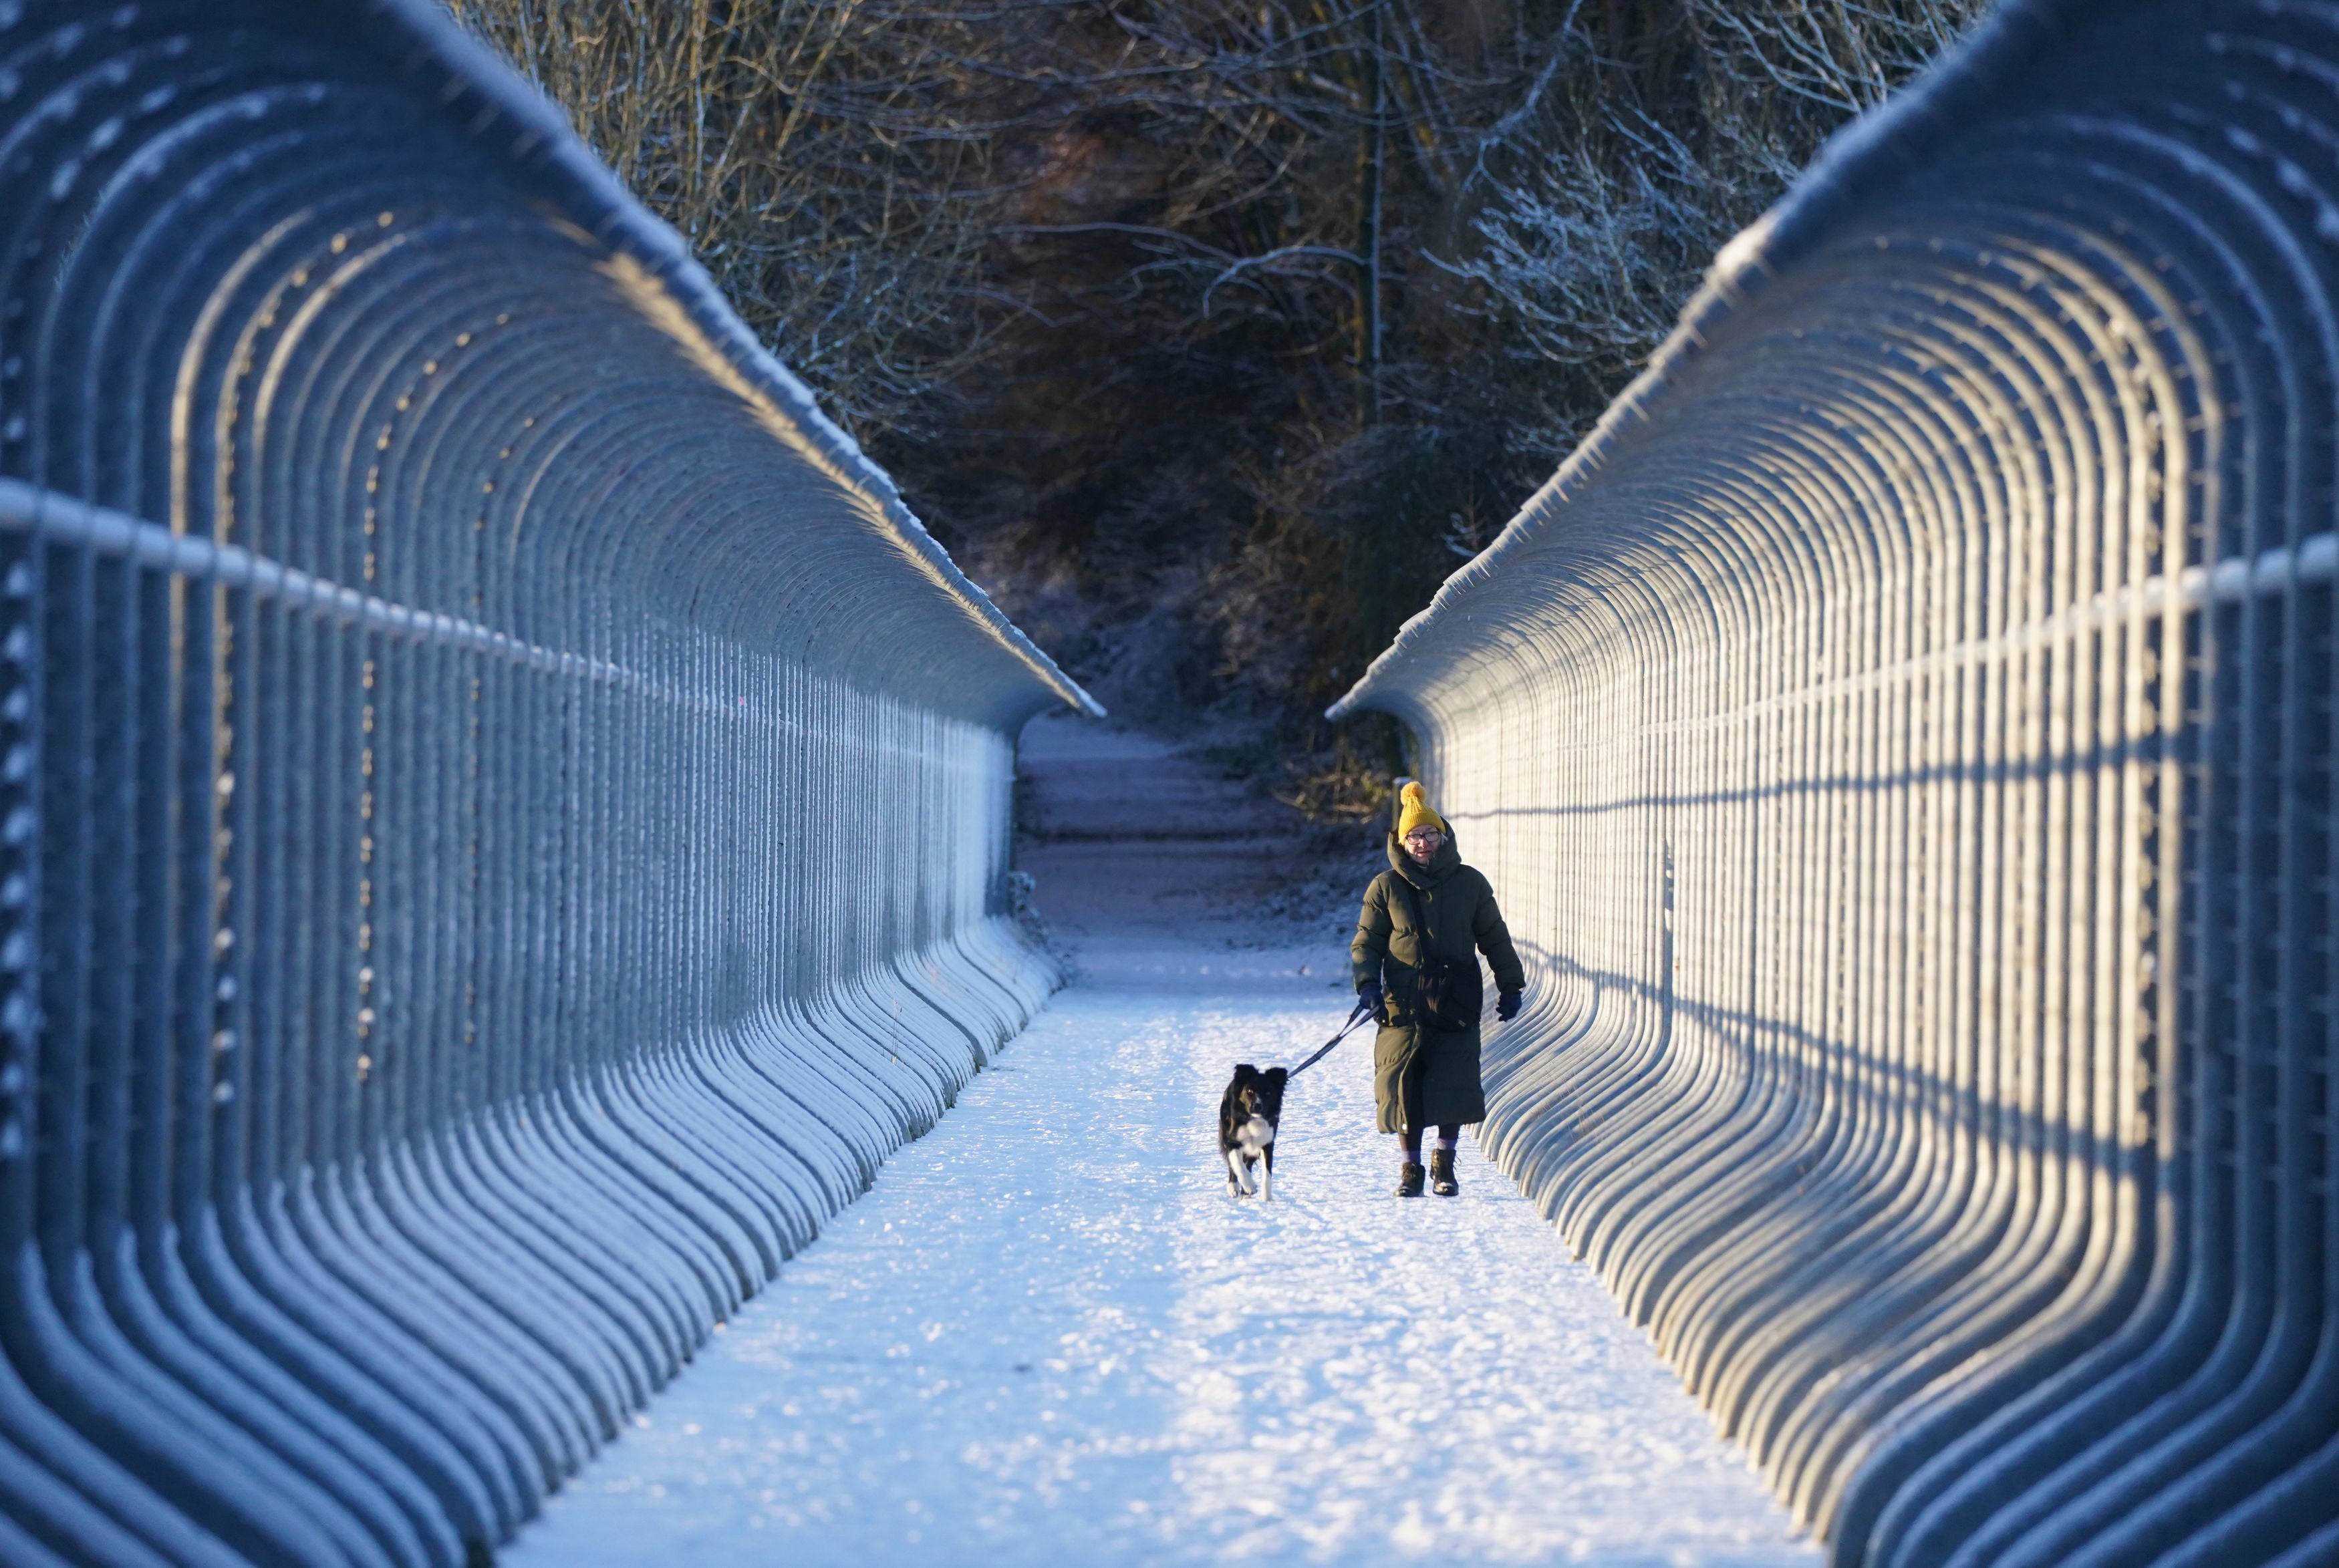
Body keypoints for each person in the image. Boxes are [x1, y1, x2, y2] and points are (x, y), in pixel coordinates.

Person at [1351, 781, 1526, 1197]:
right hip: (1402, 1004)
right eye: (1415, 836)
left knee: (1455, 1081)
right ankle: (1410, 1170)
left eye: (1431, 835)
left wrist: (1510, 984)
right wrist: (1367, 986)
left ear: (1443, 837)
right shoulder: (1385, 887)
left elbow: (1494, 937)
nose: (1423, 844)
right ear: (1401, 841)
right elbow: (1366, 943)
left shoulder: (1470, 883)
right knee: (1402, 1085)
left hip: (1455, 1001)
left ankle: (1443, 1165)